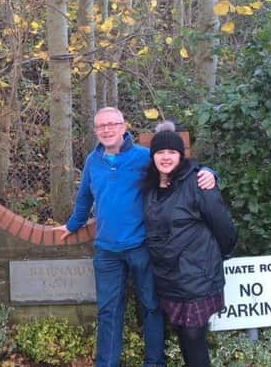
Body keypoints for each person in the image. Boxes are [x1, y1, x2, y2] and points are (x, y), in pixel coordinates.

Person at [53, 107, 216, 367]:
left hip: (142, 246)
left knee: (151, 307)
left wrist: (208, 172)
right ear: (96, 130)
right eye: (101, 126)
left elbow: (176, 167)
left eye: (112, 124)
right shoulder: (92, 161)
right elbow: (84, 197)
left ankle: (154, 362)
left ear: (123, 126)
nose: (106, 129)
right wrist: (73, 224)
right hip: (106, 251)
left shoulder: (143, 157)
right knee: (108, 311)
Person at [142, 122, 237, 367]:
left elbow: (224, 226)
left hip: (197, 275)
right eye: (160, 152)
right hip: (168, 277)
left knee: (194, 335)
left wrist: (220, 254)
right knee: (181, 333)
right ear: (152, 156)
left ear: (180, 155)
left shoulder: (198, 182)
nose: (165, 157)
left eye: (171, 152)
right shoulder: (150, 188)